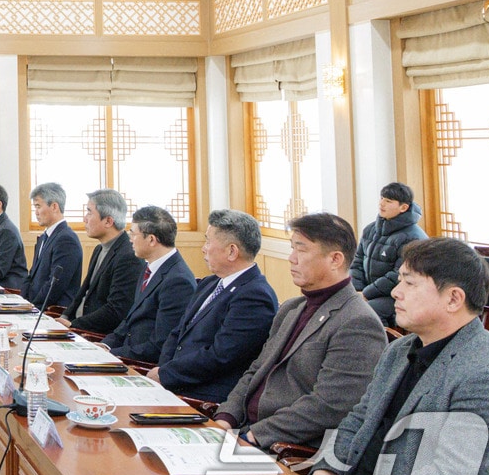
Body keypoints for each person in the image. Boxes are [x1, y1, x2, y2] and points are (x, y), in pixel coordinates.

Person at [309, 237, 489, 475]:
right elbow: (359, 419)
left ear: (454, 299)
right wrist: (328, 468)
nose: (395, 292)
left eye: (409, 283)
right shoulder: (399, 350)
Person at [214, 213, 386, 449]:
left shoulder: (358, 322)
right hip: (243, 431)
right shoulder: (292, 308)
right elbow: (256, 370)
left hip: (284, 448)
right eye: (292, 248)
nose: (291, 259)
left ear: (335, 259)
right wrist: (226, 417)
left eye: (301, 250)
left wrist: (253, 436)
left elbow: (329, 406)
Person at [148, 209, 278, 403]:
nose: (203, 248)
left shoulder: (255, 296)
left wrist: (166, 375)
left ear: (232, 251)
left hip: (205, 396)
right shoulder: (211, 282)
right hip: (174, 383)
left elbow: (221, 356)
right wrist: (163, 372)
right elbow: (177, 332)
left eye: (208, 241)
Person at [99, 206, 195, 363]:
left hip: (141, 364)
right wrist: (105, 346)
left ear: (151, 239)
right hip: (127, 353)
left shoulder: (178, 281)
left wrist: (113, 354)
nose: (129, 239)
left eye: (133, 234)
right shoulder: (148, 267)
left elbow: (160, 345)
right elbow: (130, 320)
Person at [60, 189, 145, 335]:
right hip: (78, 328)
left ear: (108, 221)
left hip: (94, 334)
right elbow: (83, 291)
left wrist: (74, 325)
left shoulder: (128, 256)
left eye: (89, 212)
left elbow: (116, 310)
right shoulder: (99, 249)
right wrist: (64, 316)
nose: (84, 219)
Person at [351, 182, 428, 325]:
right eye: (381, 198)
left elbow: (398, 275)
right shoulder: (370, 229)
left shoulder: (413, 237)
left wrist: (367, 294)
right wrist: (357, 290)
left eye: (388, 201)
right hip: (369, 292)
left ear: (403, 207)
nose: (382, 204)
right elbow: (357, 261)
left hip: (398, 294)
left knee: (366, 312)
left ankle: (385, 346)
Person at [22, 183, 82, 310]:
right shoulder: (44, 236)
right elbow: (31, 275)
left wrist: (33, 307)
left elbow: (55, 286)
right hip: (34, 307)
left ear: (54, 206)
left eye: (38, 206)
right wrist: (22, 302)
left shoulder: (66, 239)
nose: (36, 212)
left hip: (52, 311)